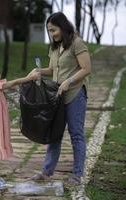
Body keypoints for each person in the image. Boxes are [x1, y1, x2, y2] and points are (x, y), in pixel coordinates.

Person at [30, 12, 92, 186]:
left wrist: (69, 81)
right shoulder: (54, 47)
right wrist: (39, 71)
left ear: (63, 27)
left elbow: (86, 68)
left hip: (74, 94)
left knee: (76, 134)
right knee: (54, 134)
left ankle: (76, 175)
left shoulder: (77, 43)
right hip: (57, 95)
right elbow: (52, 70)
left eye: (54, 30)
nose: (52, 34)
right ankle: (46, 172)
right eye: (49, 31)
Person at [0, 63, 40, 190]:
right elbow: (14, 82)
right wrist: (30, 78)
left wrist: (29, 77)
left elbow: (15, 83)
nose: (0, 74)